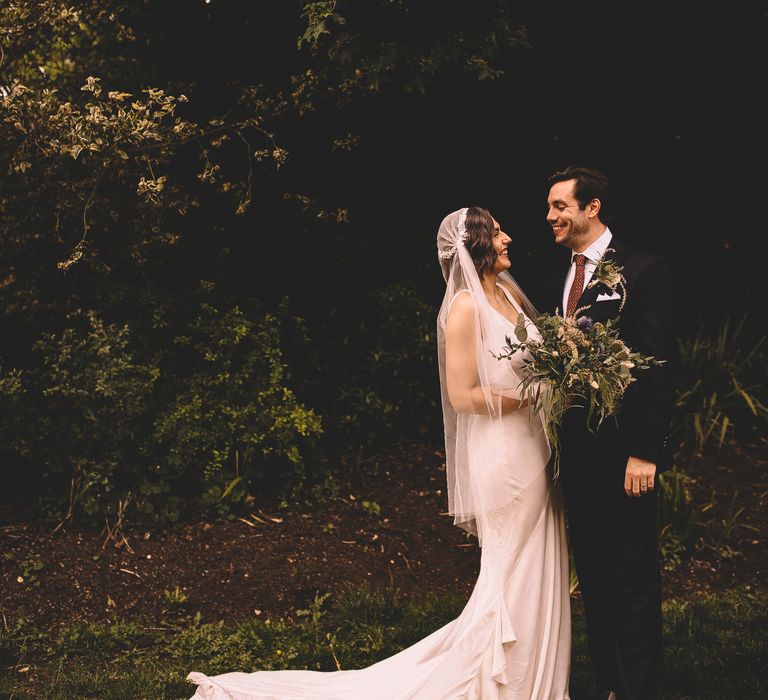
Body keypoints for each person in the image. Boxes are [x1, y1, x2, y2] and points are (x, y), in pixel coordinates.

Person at [187, 207, 572, 699]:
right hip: (505, 457)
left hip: (534, 447)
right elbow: (462, 396)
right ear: (477, 245)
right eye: (497, 233)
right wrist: (532, 396)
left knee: (536, 565)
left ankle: (533, 677)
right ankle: (504, 683)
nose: (508, 238)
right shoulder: (464, 308)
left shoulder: (511, 295)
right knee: (512, 570)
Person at [544, 166, 677, 700]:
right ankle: (611, 685)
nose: (550, 216)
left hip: (626, 457)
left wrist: (645, 452)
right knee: (596, 576)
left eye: (559, 206)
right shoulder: (559, 274)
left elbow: (659, 366)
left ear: (591, 207)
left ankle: (641, 689)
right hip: (578, 455)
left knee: (632, 577)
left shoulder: (643, 271)